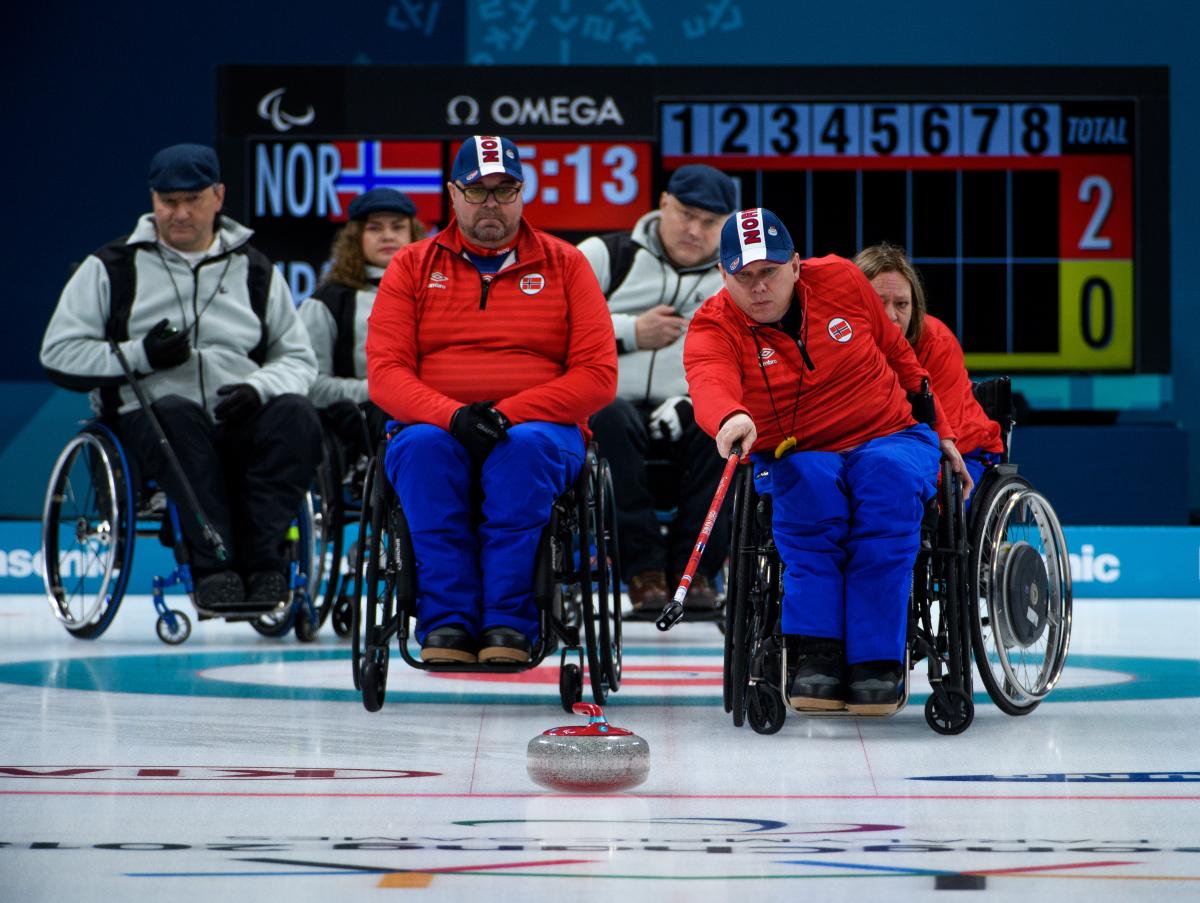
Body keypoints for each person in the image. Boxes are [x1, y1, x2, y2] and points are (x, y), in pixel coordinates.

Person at [684, 207, 969, 715]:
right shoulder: (712, 326)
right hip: (798, 447)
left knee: (886, 484)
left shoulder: (840, 279)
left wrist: (943, 434)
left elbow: (902, 359)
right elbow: (710, 380)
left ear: (795, 265)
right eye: (743, 277)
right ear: (721, 275)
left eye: (769, 272)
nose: (759, 288)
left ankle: (877, 662)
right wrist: (729, 418)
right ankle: (817, 657)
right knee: (809, 493)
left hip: (889, 434)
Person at [366, 135, 617, 665]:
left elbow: (597, 377)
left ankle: (509, 621)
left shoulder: (567, 264)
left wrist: (507, 413)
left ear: (523, 193)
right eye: (477, 192)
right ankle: (447, 623)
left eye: (505, 191)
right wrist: (452, 416)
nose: (491, 206)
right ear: (452, 194)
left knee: (522, 450)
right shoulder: (410, 265)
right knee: (421, 451)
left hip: (537, 429)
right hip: (437, 425)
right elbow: (386, 376)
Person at [40, 143, 321, 613]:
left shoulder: (255, 269)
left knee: (297, 415)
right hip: (153, 421)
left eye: (193, 200)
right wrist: (140, 354)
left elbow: (298, 359)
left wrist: (259, 388)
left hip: (238, 417)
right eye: (169, 201)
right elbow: (58, 352)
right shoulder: (111, 267)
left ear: (219, 196)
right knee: (175, 415)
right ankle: (215, 570)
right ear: (153, 200)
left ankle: (263, 563)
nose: (181, 213)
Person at [578, 164, 737, 613]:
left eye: (710, 223)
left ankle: (700, 571)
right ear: (663, 203)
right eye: (685, 213)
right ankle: (643, 572)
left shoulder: (736, 276)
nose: (694, 229)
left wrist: (695, 400)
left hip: (688, 407)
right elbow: (552, 325)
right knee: (609, 413)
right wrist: (630, 331)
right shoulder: (606, 255)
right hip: (610, 404)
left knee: (723, 427)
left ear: (728, 223)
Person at [855, 242, 1000, 501]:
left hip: (962, 454)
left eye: (901, 304)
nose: (891, 316)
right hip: (880, 456)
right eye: (878, 303)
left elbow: (941, 434)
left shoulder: (936, 342)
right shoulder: (836, 345)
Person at [299, 187, 425, 452]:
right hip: (365, 424)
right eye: (375, 228)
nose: (388, 236)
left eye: (398, 227)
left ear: (413, 234)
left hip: (432, 410)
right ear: (356, 237)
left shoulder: (438, 292)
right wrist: (384, 390)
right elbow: (309, 384)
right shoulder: (328, 302)